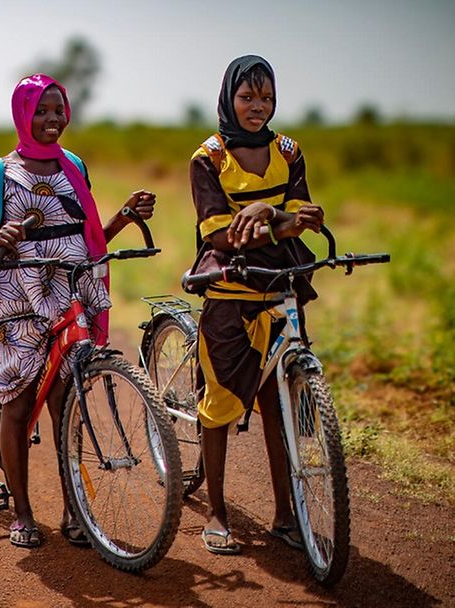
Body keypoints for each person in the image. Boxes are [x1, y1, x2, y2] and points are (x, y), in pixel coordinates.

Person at [0, 73, 156, 548]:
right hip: (19, 301)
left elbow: (87, 241)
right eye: (42, 111)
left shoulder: (73, 165)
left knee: (67, 400)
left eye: (58, 110)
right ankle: (23, 513)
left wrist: (124, 218)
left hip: (71, 292)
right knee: (19, 402)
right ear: (23, 115)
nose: (52, 120)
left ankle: (76, 511)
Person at [188, 55, 325, 555]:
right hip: (230, 289)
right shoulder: (208, 157)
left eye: (266, 98)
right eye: (247, 97)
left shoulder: (288, 150)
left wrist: (269, 212)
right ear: (229, 98)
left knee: (278, 400)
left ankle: (286, 516)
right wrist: (279, 219)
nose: (258, 107)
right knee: (220, 404)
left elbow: (301, 214)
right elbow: (219, 236)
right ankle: (219, 513)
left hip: (280, 284)